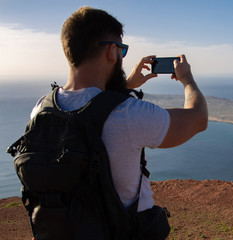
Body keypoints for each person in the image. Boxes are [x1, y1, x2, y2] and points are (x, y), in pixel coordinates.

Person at [30, 6, 208, 239]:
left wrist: (125, 85)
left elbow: (87, 106)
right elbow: (198, 118)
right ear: (111, 51)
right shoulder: (127, 114)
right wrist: (188, 80)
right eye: (122, 50)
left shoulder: (41, 108)